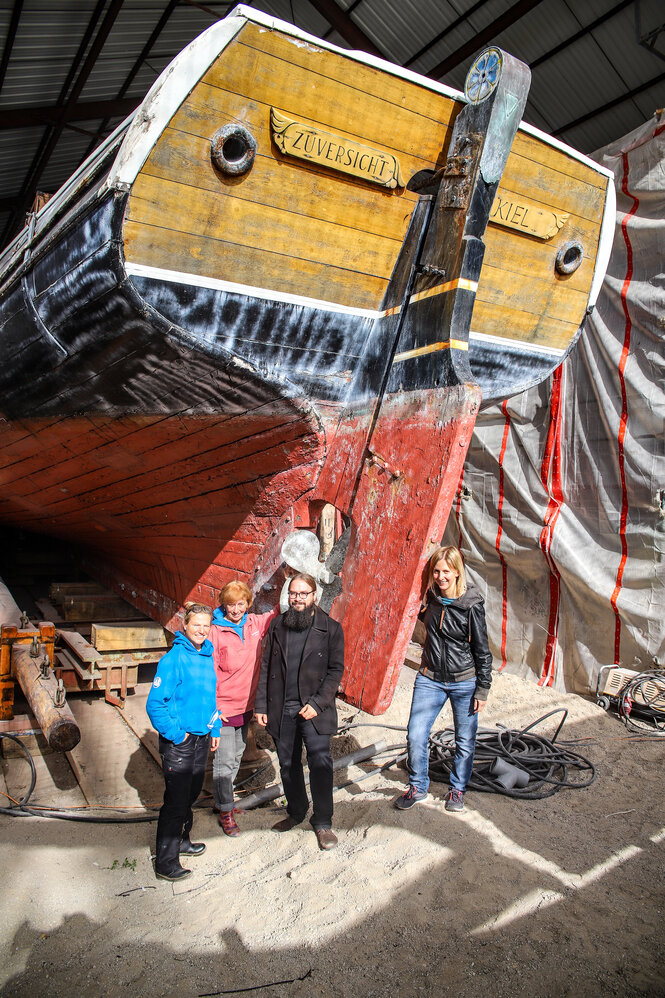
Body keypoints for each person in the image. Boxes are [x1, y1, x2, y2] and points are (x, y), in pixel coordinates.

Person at [394, 546, 492, 814]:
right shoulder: (430, 598)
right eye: (436, 571)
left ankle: (457, 789)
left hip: (464, 681)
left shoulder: (471, 605)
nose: (440, 577)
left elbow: (483, 651)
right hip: (430, 678)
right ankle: (418, 786)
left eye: (446, 571)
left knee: (464, 740)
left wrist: (482, 688)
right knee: (416, 733)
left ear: (457, 572)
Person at [255, 572, 344, 850]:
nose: (297, 599)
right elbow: (266, 667)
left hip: (314, 707)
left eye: (303, 594)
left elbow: (335, 671)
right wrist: (260, 705)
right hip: (282, 706)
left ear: (314, 596)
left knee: (319, 761)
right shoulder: (278, 625)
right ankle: (296, 810)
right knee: (287, 763)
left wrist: (317, 703)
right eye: (293, 594)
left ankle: (322, 821)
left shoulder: (331, 629)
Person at [146, 602, 220, 881]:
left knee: (191, 794)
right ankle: (165, 861)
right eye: (196, 625)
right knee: (176, 800)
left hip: (202, 738)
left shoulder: (207, 656)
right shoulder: (174, 659)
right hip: (180, 741)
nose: (201, 630)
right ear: (185, 626)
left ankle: (182, 841)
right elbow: (155, 705)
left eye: (205, 625)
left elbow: (210, 697)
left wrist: (214, 728)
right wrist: (177, 734)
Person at [210, 580, 279, 836]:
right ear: (223, 605)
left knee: (238, 754)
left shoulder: (253, 625)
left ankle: (223, 803)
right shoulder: (215, 633)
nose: (236, 609)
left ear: (247, 604)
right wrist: (214, 711)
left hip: (246, 706)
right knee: (224, 762)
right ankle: (226, 811)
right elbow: (210, 673)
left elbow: (276, 614)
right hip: (225, 708)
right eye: (230, 605)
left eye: (241, 604)